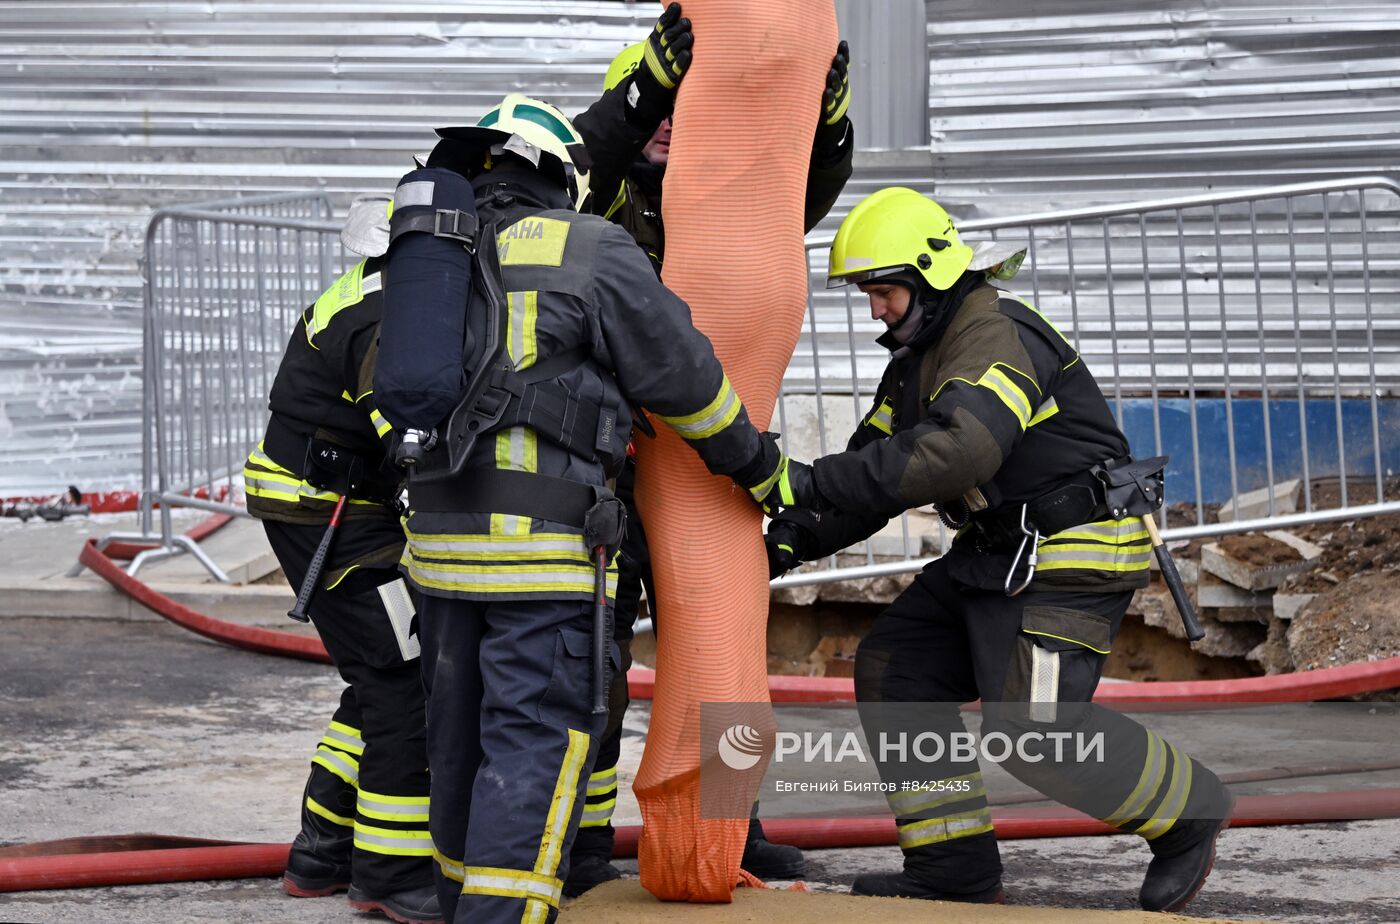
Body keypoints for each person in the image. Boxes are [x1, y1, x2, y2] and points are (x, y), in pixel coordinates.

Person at [764, 188, 1234, 911]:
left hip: (1074, 549)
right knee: (899, 669)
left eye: (883, 292)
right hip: (1000, 552)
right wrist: (787, 539)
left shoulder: (995, 333)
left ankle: (1187, 810)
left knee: (1037, 734)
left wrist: (800, 479)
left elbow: (959, 453)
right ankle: (952, 867)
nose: (874, 310)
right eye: (868, 294)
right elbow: (875, 474)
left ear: (931, 277)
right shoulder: (920, 360)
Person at [400, 94, 810, 924]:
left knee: (455, 736)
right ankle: (500, 914)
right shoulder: (590, 248)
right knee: (533, 739)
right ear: (565, 176)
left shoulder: (428, 254)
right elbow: (687, 381)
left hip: (438, 550)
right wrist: (761, 469)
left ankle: (456, 900)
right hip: (540, 553)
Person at [558, 4, 854, 892]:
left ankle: (733, 824)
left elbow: (794, 192)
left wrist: (827, 121)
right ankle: (572, 839)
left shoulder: (720, 192)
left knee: (720, 645)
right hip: (607, 469)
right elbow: (580, 161)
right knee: (593, 659)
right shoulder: (598, 203)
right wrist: (643, 87)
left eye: (692, 107)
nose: (674, 129)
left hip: (703, 464)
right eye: (661, 109)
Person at [241, 201, 439, 923]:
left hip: (333, 504)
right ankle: (389, 875)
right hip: (331, 516)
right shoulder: (390, 316)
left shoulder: (378, 290)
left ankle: (322, 849)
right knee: (403, 680)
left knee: (381, 669)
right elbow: (409, 432)